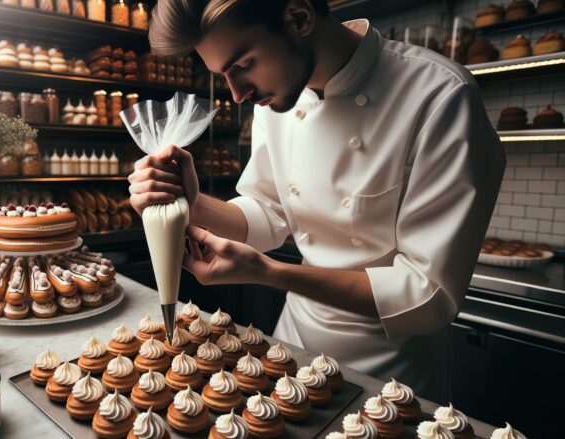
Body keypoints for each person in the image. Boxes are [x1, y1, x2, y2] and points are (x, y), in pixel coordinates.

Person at [128, 0, 505, 400]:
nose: (237, 94)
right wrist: (192, 202)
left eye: (243, 65)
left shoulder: (440, 97)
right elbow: (267, 212)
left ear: (299, 17)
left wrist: (271, 273)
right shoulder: (279, 98)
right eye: (225, 74)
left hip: (392, 370)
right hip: (294, 351)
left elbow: (428, 294)